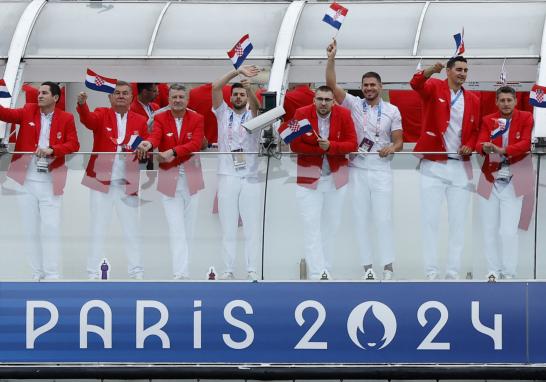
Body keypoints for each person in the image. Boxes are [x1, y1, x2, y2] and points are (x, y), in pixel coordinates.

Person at [326, 38, 403, 280]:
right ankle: (367, 267)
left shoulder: (392, 110)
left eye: (373, 85)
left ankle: (388, 266)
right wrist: (331, 58)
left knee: (383, 219)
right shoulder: (353, 103)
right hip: (357, 169)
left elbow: (399, 141)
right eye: (365, 85)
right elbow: (330, 84)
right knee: (360, 219)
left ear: (380, 86)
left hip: (381, 170)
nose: (369, 88)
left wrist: (391, 148)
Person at [0, 82, 79, 279]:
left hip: (51, 180)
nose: (40, 95)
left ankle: (52, 275)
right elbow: (5, 114)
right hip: (26, 179)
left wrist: (53, 149)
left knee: (50, 228)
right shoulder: (28, 110)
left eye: (44, 93)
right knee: (30, 230)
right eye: (39, 92)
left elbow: (74, 144)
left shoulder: (66, 117)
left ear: (56, 98)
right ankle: (37, 274)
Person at [410, 56, 480, 280]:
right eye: (458, 69)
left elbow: (477, 131)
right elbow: (415, 84)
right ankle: (431, 272)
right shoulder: (434, 87)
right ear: (448, 71)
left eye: (465, 70)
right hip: (433, 163)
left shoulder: (474, 98)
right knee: (430, 221)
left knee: (458, 222)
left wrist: (471, 144)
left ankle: (452, 273)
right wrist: (431, 69)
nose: (462, 73)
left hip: (460, 166)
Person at [77, 81, 148, 279]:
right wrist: (82, 105)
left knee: (132, 229)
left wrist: (144, 149)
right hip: (101, 181)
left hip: (128, 181)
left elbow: (147, 145)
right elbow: (88, 121)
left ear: (132, 98)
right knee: (98, 227)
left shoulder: (141, 120)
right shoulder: (101, 113)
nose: (121, 96)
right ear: (110, 97)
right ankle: (92, 273)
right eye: (117, 93)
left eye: (125, 93)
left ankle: (137, 272)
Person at [137, 83, 205, 279]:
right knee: (176, 228)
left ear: (187, 100)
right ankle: (180, 274)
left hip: (192, 178)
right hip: (169, 179)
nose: (177, 101)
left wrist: (173, 152)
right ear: (168, 99)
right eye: (174, 97)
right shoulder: (159, 117)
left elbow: (194, 144)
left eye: (181, 97)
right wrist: (148, 143)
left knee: (189, 229)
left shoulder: (197, 118)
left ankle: (185, 270)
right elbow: (155, 136)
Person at [289, 85, 357, 280]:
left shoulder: (344, 114)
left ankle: (326, 270)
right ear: (314, 100)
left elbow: (352, 144)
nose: (324, 103)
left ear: (333, 102)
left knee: (332, 226)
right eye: (320, 99)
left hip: (337, 179)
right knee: (311, 227)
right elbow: (294, 144)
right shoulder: (301, 113)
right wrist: (321, 149)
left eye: (328, 100)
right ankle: (317, 274)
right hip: (308, 179)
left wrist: (332, 146)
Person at [476, 86, 533, 279]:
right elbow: (479, 144)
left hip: (515, 180)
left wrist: (501, 150)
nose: (506, 104)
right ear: (496, 102)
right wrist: (484, 146)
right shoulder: (488, 120)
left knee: (508, 232)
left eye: (509, 100)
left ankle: (509, 273)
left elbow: (525, 143)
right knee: (489, 230)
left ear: (516, 101)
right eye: (502, 100)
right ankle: (493, 270)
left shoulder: (526, 117)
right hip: (489, 181)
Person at [211, 65, 262, 280]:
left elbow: (257, 107)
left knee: (251, 227)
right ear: (230, 97)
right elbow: (215, 87)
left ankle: (252, 269)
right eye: (236, 94)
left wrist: (250, 89)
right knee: (228, 227)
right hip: (227, 175)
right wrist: (237, 72)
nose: (239, 97)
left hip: (250, 176)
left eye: (242, 94)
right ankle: (228, 269)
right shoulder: (223, 113)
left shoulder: (254, 115)